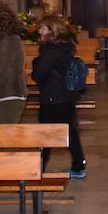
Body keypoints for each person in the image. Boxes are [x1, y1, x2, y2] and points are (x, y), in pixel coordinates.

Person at [31, 15, 87, 179]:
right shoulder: (65, 47)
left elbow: (38, 74)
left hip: (52, 99)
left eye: (42, 28)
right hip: (67, 97)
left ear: (50, 30)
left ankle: (38, 169)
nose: (39, 31)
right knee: (70, 132)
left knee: (46, 135)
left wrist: (36, 62)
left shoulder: (50, 50)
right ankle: (79, 166)